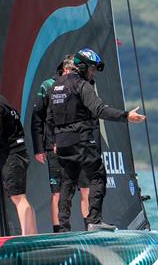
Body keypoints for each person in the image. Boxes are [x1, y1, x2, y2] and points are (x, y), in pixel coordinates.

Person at [47, 48, 146, 232]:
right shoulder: (82, 85)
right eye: (92, 69)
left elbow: (50, 118)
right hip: (81, 140)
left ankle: (62, 227)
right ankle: (94, 220)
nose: (93, 73)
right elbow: (99, 110)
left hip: (61, 143)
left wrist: (54, 141)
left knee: (68, 181)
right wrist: (125, 116)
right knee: (98, 174)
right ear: (83, 66)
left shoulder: (55, 86)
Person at [31, 54, 90, 232]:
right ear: (66, 70)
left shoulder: (81, 85)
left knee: (86, 188)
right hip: (54, 145)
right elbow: (38, 118)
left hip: (79, 144)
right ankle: (59, 232)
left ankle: (91, 228)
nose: (78, 75)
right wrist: (39, 148)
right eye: (75, 71)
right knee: (57, 191)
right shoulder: (48, 85)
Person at [0, 95, 37, 235]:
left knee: (18, 197)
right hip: (19, 153)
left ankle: (26, 237)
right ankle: (32, 235)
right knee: (22, 197)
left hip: (13, 156)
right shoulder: (5, 102)